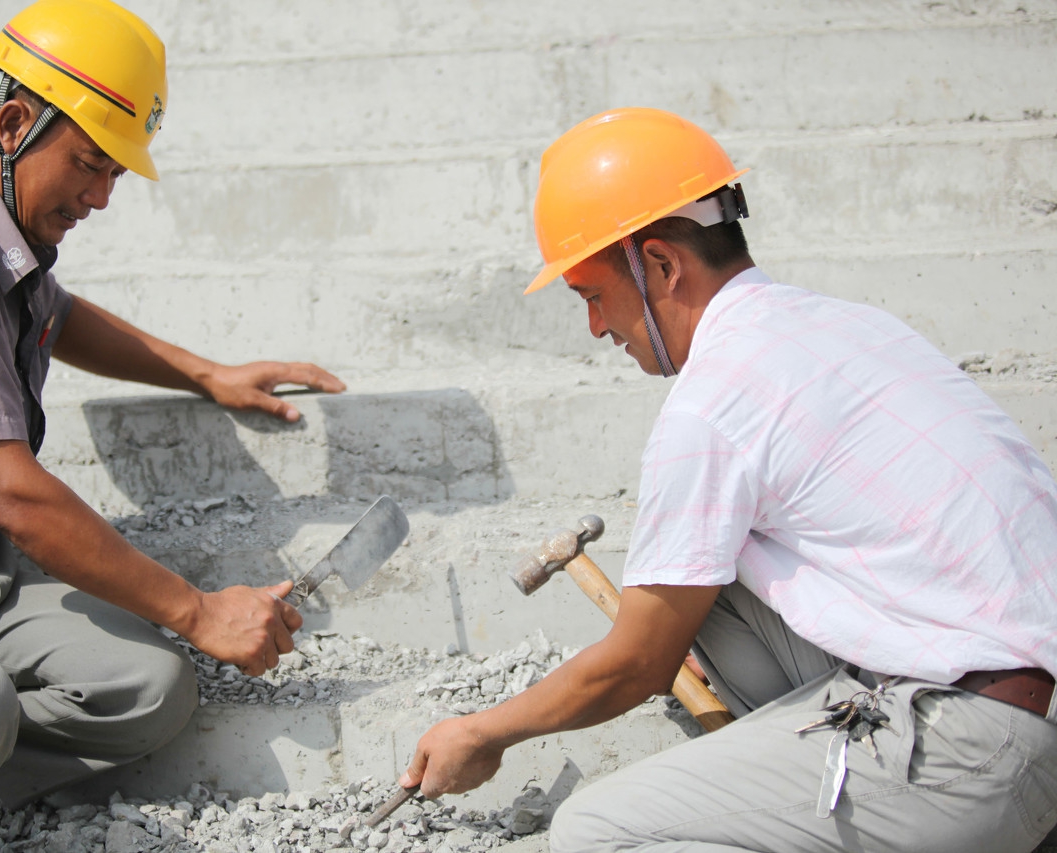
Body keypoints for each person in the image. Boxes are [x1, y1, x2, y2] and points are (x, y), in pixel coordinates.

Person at [398, 107, 1057, 852]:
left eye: (589, 295)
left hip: (974, 746)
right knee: (701, 589)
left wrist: (484, 730)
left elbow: (639, 663)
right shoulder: (850, 325)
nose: (595, 329)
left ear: (659, 265)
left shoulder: (714, 398)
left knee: (594, 829)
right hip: (1012, 699)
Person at [0, 0, 345, 849]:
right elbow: (13, 492)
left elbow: (56, 315)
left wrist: (206, 373)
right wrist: (197, 611)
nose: (102, 196)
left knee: (146, 686)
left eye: (116, 171)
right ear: (13, 123)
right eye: (89, 164)